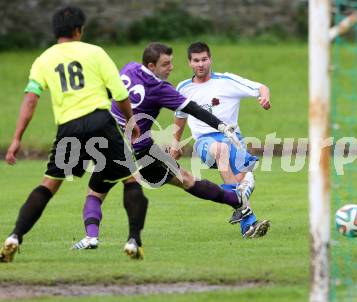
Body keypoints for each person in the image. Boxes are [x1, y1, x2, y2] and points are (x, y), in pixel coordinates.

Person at [72, 42, 258, 249]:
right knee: (186, 180)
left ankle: (91, 237)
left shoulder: (129, 68)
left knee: (95, 194)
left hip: (110, 145)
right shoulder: (160, 89)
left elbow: (109, 92)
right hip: (142, 151)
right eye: (166, 64)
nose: (171, 67)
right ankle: (237, 200)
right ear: (151, 66)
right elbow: (194, 110)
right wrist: (222, 126)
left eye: (171, 62)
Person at [0, 6, 147, 262]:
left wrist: (16, 138)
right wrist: (132, 122)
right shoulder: (95, 53)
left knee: (49, 185)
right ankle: (134, 240)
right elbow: (120, 95)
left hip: (69, 129)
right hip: (100, 122)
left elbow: (31, 99)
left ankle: (14, 236)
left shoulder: (43, 60)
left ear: (55, 31)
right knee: (130, 179)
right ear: (79, 30)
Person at [172, 42, 271, 238]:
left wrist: (264, 98)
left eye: (204, 59)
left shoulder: (226, 81)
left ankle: (248, 226)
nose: (200, 64)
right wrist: (175, 141)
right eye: (196, 60)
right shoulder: (183, 88)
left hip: (234, 138)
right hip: (205, 142)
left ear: (211, 60)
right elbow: (180, 117)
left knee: (246, 182)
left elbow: (261, 87)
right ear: (189, 63)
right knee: (219, 149)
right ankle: (242, 208)